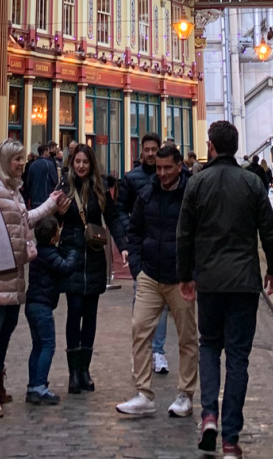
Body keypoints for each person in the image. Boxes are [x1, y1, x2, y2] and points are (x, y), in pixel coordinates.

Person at [178, 120, 273, 458]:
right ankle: (231, 439)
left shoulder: (197, 183)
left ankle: (209, 415)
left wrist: (186, 275)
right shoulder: (252, 183)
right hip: (243, 281)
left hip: (209, 279)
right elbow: (269, 231)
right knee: (238, 357)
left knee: (209, 347)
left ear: (211, 146)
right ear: (235, 147)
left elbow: (185, 234)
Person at [0, 139, 66, 417]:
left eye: (23, 159)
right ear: (3, 161)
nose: (22, 164)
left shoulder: (14, 191)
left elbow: (26, 220)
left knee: (8, 325)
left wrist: (50, 204)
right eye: (17, 160)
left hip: (12, 269)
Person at [117, 141, 198, 420]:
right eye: (159, 168)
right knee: (140, 328)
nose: (161, 173)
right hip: (151, 273)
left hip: (181, 276)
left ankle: (186, 394)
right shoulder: (148, 192)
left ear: (179, 166)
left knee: (187, 336)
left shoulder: (192, 192)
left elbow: (200, 233)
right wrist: (139, 267)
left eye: (167, 168)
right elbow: (135, 229)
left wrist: (193, 272)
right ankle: (143, 393)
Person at [59, 142, 121, 393]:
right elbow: (51, 221)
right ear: (72, 163)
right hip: (72, 254)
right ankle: (73, 372)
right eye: (77, 162)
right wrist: (58, 213)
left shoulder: (100, 188)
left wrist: (124, 244)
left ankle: (85, 369)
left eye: (85, 162)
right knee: (74, 311)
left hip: (94, 256)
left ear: (91, 163)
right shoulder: (64, 187)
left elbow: (114, 218)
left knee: (91, 313)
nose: (81, 166)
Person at [116, 132, 171, 373]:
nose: (149, 153)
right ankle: (141, 352)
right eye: (146, 149)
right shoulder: (131, 178)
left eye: (153, 149)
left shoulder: (169, 176)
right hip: (143, 249)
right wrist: (130, 239)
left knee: (164, 305)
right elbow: (120, 211)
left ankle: (157, 351)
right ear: (141, 151)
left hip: (167, 249)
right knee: (142, 303)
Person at [24, 214, 76, 405]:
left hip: (32, 304)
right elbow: (66, 267)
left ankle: (32, 386)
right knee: (47, 345)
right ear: (54, 237)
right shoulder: (51, 254)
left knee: (37, 345)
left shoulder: (38, 252)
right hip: (43, 306)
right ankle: (40, 386)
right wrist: (73, 253)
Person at [23, 142, 59, 209]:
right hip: (46, 200)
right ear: (45, 152)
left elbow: (28, 183)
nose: (49, 153)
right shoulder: (49, 164)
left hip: (34, 200)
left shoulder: (32, 165)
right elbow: (55, 181)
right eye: (48, 151)